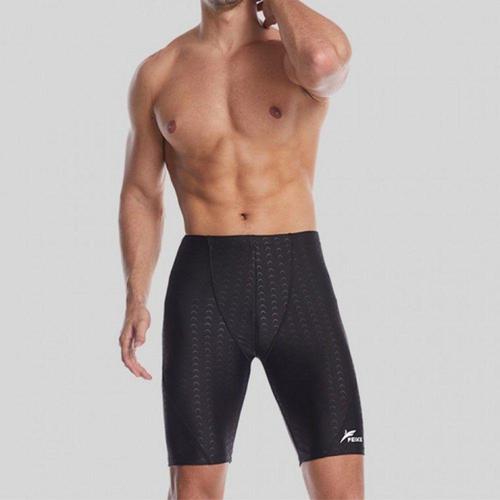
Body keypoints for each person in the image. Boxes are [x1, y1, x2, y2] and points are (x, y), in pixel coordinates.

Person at [119, 0, 364, 498]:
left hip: (298, 282)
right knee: (193, 491)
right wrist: (136, 295)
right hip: (205, 287)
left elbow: (324, 61)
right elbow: (142, 192)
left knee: (341, 491)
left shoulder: (295, 58)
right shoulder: (159, 72)